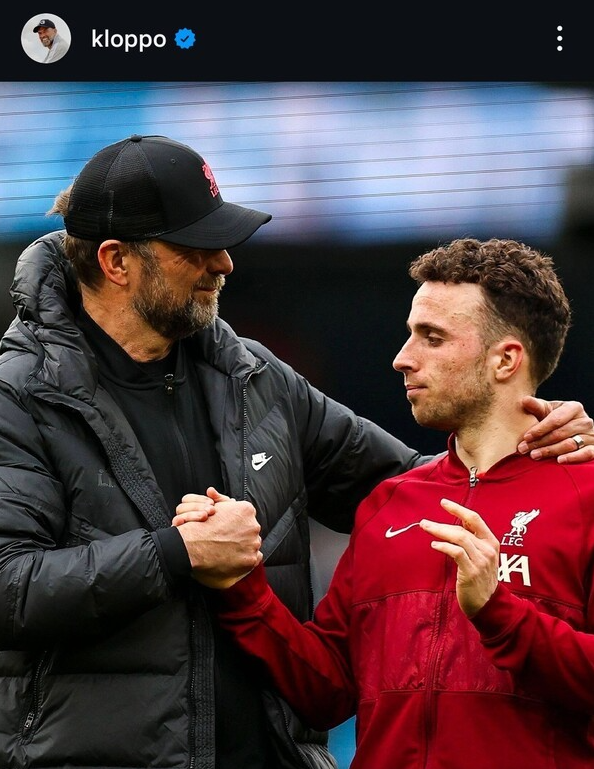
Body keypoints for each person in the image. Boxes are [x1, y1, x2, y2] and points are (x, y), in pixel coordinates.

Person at [0, 134, 589, 769]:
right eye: (196, 247)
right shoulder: (20, 396)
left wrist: (544, 438)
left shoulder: (254, 378)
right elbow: (8, 587)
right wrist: (176, 553)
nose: (224, 263)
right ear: (117, 261)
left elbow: (430, 487)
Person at [208, 237, 594, 769]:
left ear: (505, 359)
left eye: (432, 338)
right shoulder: (391, 502)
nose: (402, 359)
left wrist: (498, 613)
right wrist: (243, 588)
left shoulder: (584, 498)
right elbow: (328, 692)